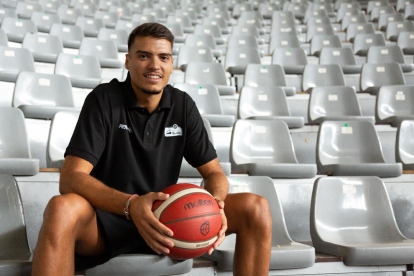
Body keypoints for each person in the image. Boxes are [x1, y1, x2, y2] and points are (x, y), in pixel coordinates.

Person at [31, 23, 272, 276]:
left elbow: (214, 174)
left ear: (171, 65)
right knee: (61, 209)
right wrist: (130, 205)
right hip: (108, 221)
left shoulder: (183, 106)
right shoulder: (103, 99)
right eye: (143, 55)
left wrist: (216, 206)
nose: (154, 65)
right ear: (127, 61)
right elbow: (70, 178)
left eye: (163, 57)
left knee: (254, 208)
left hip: (167, 221)